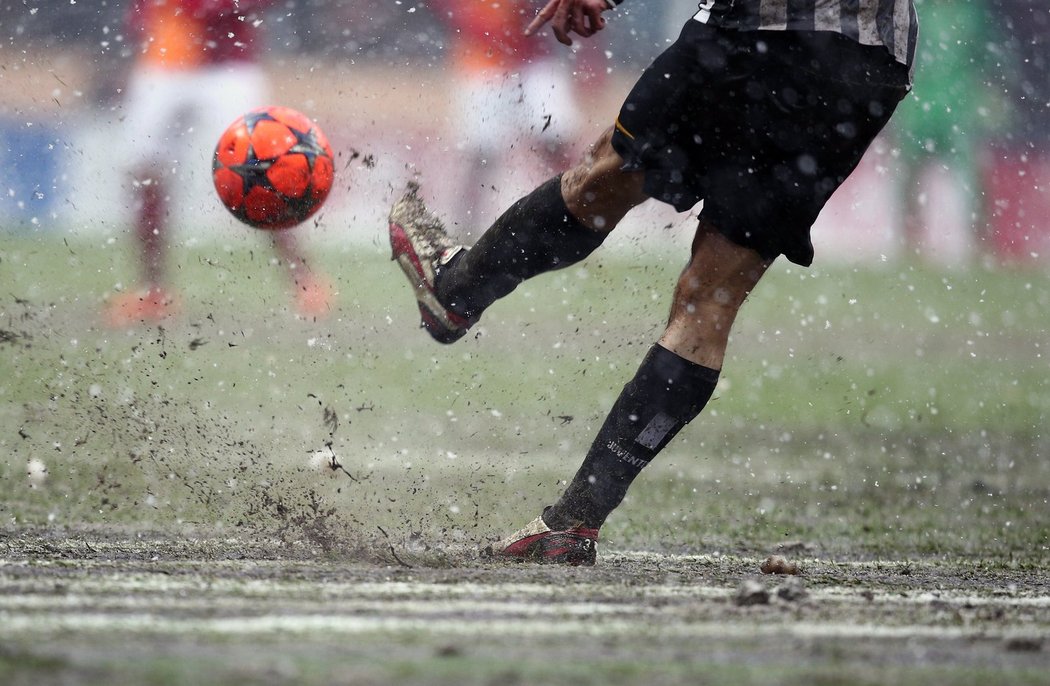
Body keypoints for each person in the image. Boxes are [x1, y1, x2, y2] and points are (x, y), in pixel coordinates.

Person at [390, 0, 918, 565]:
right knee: (710, 301)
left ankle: (457, 294)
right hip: (867, 66)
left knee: (607, 175)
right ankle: (575, 521)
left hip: (759, 30)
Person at [106, 0, 332, 327]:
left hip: (227, 68)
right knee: (145, 172)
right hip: (165, 63)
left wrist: (204, 8)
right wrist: (146, 19)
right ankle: (154, 289)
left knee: (264, 172)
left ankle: (304, 279)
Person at [433, 0, 586, 230]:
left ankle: (579, 212)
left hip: (532, 61)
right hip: (485, 63)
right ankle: (464, 226)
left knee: (555, 142)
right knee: (482, 153)